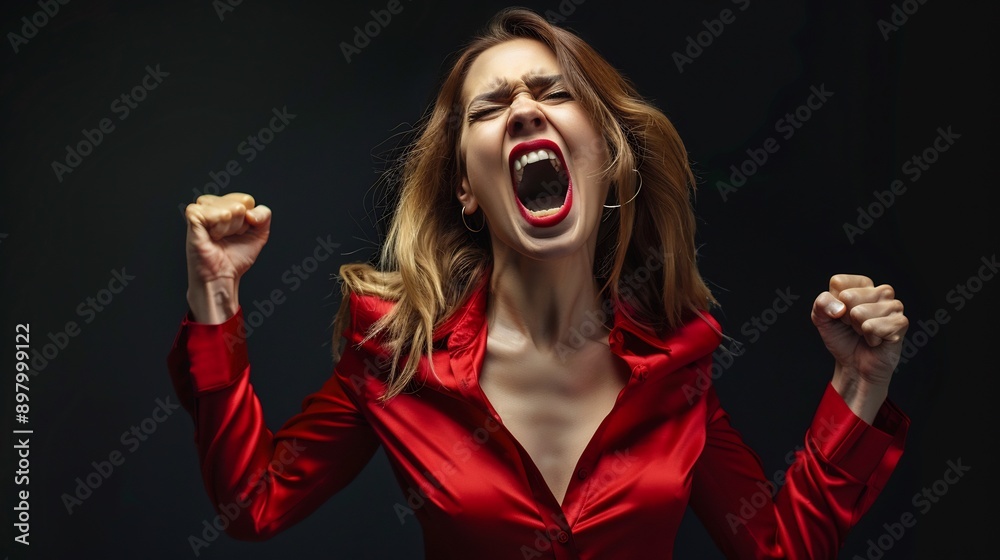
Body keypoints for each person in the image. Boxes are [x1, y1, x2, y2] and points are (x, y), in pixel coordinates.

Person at [167, 7, 910, 559]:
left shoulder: (677, 368)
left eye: (554, 95)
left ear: (607, 155)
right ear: (465, 186)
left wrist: (858, 385)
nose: (524, 109)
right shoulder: (395, 354)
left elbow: (779, 550)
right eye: (491, 108)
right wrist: (216, 296)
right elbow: (252, 502)